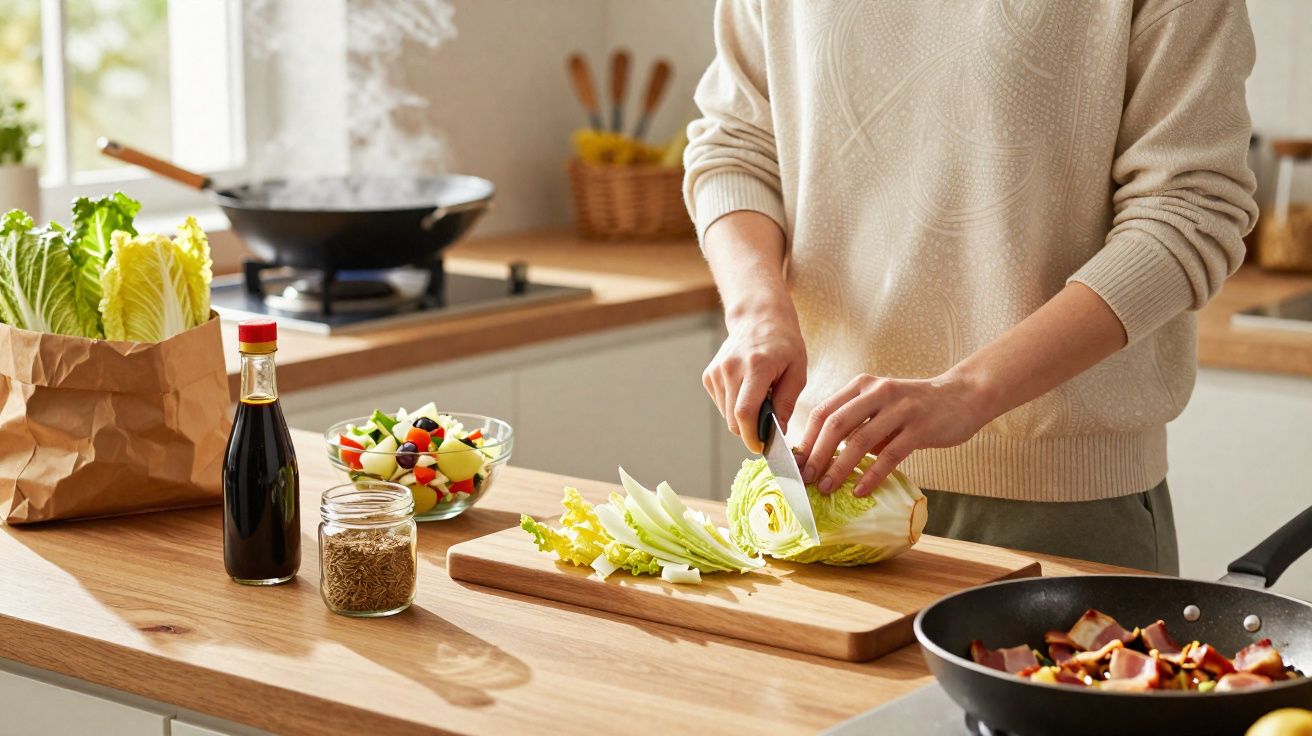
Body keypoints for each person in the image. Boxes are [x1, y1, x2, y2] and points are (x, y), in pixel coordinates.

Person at [683, 1, 1258, 572]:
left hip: (1058, 507)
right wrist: (756, 313)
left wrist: (967, 390)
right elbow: (735, 148)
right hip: (820, 488)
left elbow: (1189, 210)